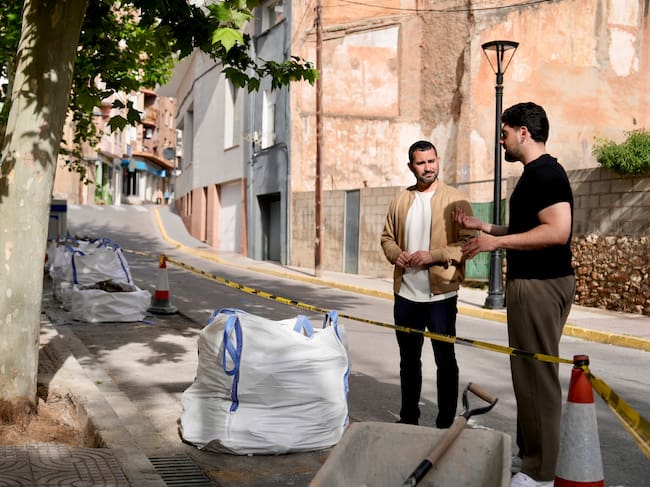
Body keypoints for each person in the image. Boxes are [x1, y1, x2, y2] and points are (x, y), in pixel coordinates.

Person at [455, 102, 575, 487]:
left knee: (537, 380)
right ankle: (531, 460)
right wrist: (486, 228)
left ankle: (540, 474)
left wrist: (495, 244)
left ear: (524, 131)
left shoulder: (546, 173)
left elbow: (557, 231)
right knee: (528, 377)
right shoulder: (535, 174)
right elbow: (528, 228)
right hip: (533, 284)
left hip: (539, 285)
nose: (500, 140)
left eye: (504, 133)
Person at [380, 140, 475, 429]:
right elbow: (387, 238)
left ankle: (445, 422)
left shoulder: (456, 200)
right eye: (421, 163)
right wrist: (397, 255)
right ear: (411, 166)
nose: (428, 167)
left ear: (438, 160)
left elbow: (468, 243)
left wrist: (432, 256)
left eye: (431, 161)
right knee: (408, 361)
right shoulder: (400, 199)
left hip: (441, 297)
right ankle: (409, 418)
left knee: (445, 359)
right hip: (406, 295)